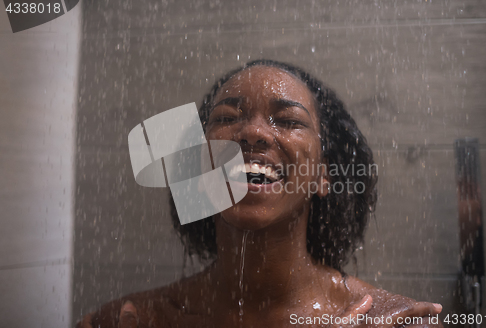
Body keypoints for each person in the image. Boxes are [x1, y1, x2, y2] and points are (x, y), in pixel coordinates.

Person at [78, 60, 443, 328]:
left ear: (322, 175)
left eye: (288, 121)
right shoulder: (132, 320)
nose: (253, 133)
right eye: (225, 118)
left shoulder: (396, 322)